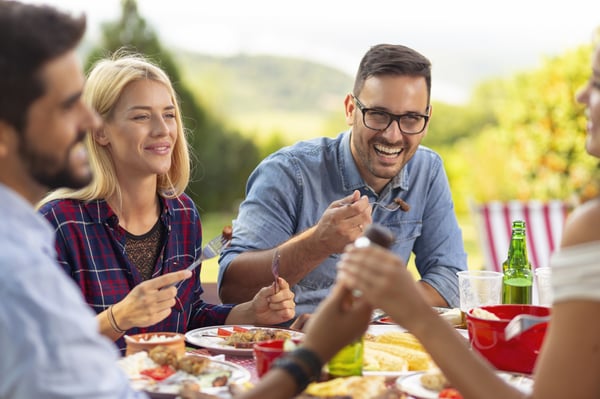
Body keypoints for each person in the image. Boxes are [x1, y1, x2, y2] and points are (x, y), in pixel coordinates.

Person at [334, 37, 600, 398]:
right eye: (379, 114)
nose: (581, 95)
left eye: (597, 82)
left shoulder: (591, 227)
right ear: (351, 109)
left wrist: (410, 308)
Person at [37, 52, 296, 353]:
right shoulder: (58, 223)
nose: (163, 130)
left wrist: (251, 313)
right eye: (141, 116)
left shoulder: (183, 214)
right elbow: (39, 347)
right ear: (100, 131)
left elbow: (189, 318)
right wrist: (118, 318)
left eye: (169, 114)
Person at [218, 43, 467, 316]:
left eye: (410, 118)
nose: (393, 135)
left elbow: (451, 280)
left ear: (427, 119)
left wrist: (363, 311)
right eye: (378, 115)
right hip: (292, 347)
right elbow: (232, 288)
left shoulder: (427, 170)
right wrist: (316, 244)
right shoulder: (288, 172)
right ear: (350, 110)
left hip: (379, 350)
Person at [0, 1, 147, 397]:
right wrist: (308, 357)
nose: (92, 121)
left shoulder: (23, 238)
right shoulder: (18, 276)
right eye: (68, 105)